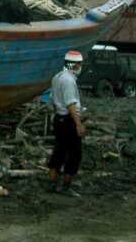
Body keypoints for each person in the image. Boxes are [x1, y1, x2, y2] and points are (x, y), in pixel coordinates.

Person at [47, 50, 85, 197]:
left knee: (59, 151)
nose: (81, 67)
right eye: (80, 64)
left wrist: (59, 116)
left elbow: (53, 100)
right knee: (75, 154)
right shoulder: (69, 81)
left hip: (59, 119)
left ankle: (52, 183)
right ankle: (66, 186)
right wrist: (78, 124)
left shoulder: (57, 77)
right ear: (75, 65)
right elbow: (70, 105)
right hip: (68, 121)